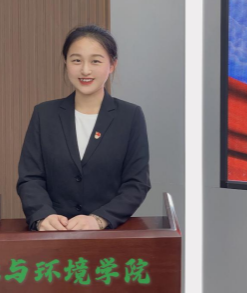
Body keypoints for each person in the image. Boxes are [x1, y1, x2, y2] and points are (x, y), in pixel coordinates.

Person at [17, 25, 151, 231]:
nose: (85, 70)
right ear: (66, 63)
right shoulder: (44, 114)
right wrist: (43, 216)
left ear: (112, 65)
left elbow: (137, 183)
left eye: (95, 61)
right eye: (76, 60)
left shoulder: (130, 116)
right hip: (54, 233)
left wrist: (99, 219)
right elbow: (30, 177)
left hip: (108, 235)